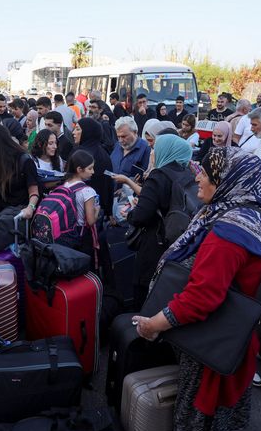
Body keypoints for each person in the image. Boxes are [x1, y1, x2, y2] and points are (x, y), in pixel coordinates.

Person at [134, 147, 261, 431]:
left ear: (227, 182)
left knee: (196, 410)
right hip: (236, 335)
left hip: (211, 339)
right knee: (216, 405)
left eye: (206, 174)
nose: (197, 177)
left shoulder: (229, 232)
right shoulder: (250, 213)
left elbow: (202, 297)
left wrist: (154, 324)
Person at [125, 134, 194, 306]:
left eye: (156, 148)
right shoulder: (186, 173)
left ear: (165, 150)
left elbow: (141, 216)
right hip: (177, 240)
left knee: (145, 294)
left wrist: (131, 212)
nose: (152, 152)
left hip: (154, 243)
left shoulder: (158, 176)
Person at [0, 124, 39, 217]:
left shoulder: (24, 160)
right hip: (0, 215)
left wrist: (30, 208)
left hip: (18, 215)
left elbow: (34, 192)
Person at [53, 150, 101, 259]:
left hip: (66, 233)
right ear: (79, 169)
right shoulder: (87, 191)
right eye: (90, 168)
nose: (93, 171)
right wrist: (97, 210)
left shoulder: (65, 185)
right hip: (82, 234)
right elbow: (91, 220)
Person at [72, 118, 114, 220]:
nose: (73, 133)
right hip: (100, 209)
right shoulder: (104, 153)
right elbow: (109, 184)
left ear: (87, 132)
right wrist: (109, 212)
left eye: (78, 129)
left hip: (81, 209)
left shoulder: (80, 154)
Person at [111, 116, 150, 180]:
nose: (120, 140)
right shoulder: (117, 145)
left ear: (135, 132)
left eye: (124, 136)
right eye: (118, 137)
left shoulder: (146, 149)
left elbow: (144, 178)